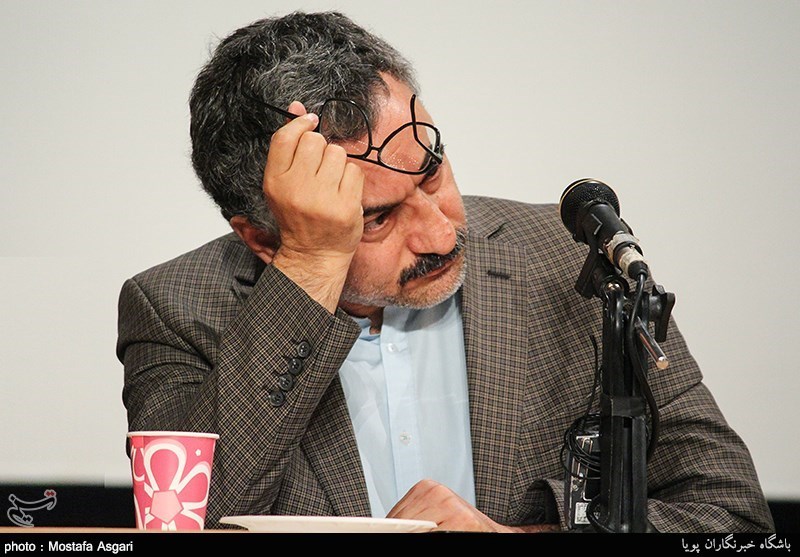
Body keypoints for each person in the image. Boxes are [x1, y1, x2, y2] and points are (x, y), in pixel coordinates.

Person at [117, 11, 774, 533]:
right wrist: (311, 266)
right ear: (262, 238)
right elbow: (188, 523)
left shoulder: (567, 257)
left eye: (431, 173)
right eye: (374, 217)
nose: (440, 234)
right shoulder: (174, 307)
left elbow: (733, 516)